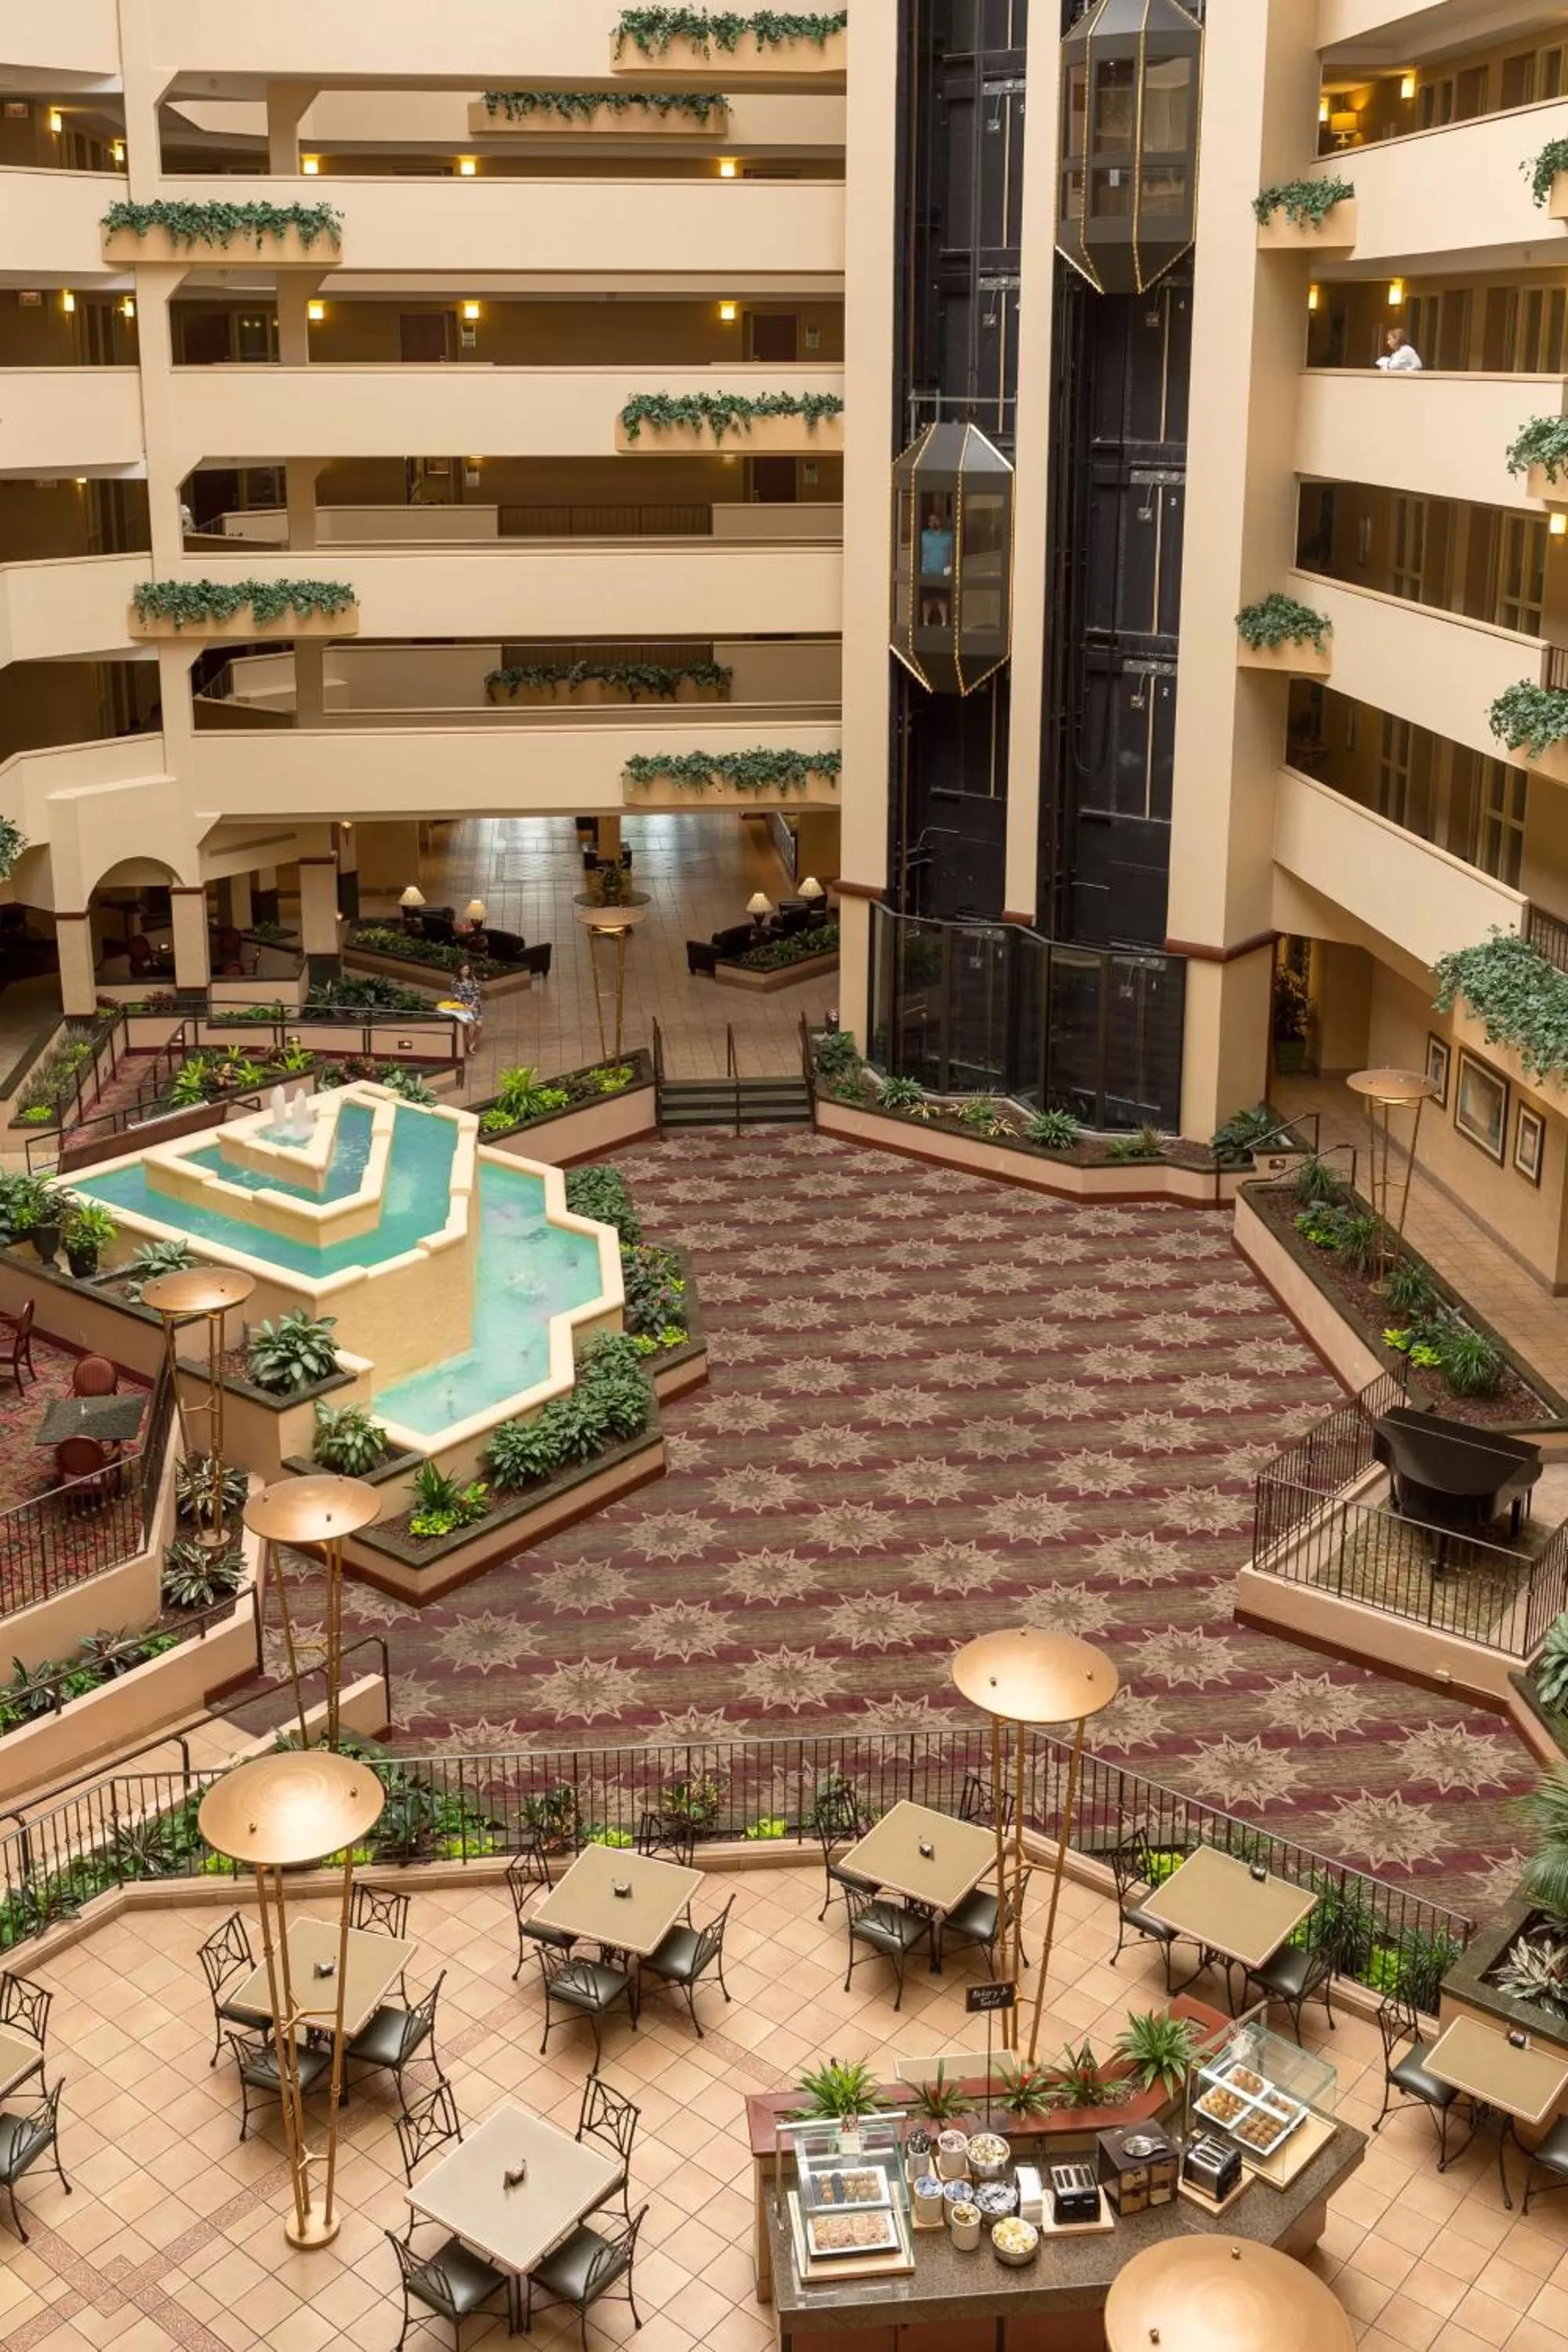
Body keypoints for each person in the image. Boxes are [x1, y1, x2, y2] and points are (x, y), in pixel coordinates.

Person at [453, 960, 483, 1058]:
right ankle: (468, 1044)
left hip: (475, 1005)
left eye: (467, 970)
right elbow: (457, 995)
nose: (465, 972)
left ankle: (472, 1044)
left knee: (479, 1026)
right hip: (463, 1006)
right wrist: (465, 1004)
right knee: (467, 1026)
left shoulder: (472, 978)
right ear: (459, 970)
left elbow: (477, 992)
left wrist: (473, 1003)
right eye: (463, 970)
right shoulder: (455, 981)